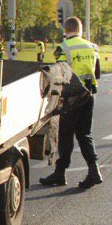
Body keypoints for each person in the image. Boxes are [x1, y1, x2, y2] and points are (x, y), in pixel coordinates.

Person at [39, 16, 102, 190]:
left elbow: (59, 75)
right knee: (84, 135)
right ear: (81, 30)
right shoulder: (92, 48)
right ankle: (94, 170)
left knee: (65, 135)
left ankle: (60, 173)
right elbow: (97, 74)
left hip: (71, 97)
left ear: (65, 31)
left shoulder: (63, 48)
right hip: (88, 95)